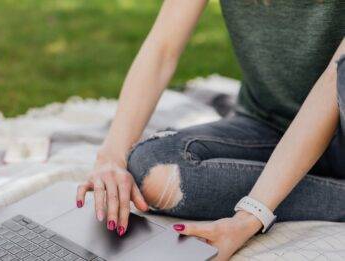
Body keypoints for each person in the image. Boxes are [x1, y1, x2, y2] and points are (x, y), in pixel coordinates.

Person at [74, 0, 345, 260]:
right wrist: (111, 157)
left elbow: (331, 85)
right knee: (155, 173)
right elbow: (162, 48)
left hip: (338, 120)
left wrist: (249, 217)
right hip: (267, 124)